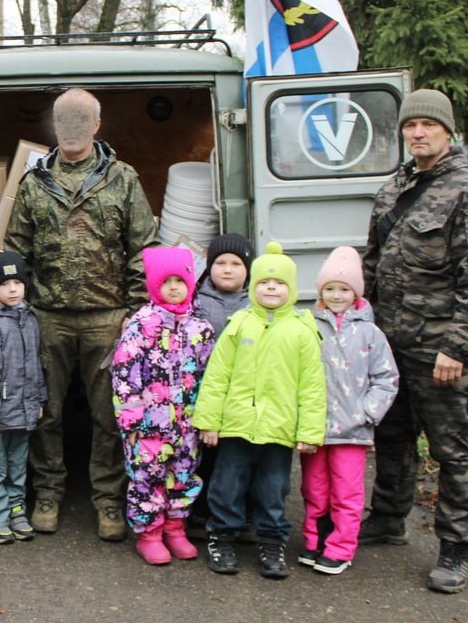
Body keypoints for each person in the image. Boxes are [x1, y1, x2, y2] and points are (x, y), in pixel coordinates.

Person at [360, 88, 468, 593]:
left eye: (428, 126)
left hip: (438, 348)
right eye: (409, 126)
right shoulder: (394, 186)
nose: (417, 133)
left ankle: (458, 546)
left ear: (447, 130)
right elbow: (373, 263)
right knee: (391, 436)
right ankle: (389, 517)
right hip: (391, 343)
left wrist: (458, 347)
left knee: (452, 449)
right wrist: (365, 328)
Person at [4, 87, 158, 541]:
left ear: (96, 124)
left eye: (80, 120)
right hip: (48, 315)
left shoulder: (122, 178)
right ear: (54, 126)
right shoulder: (34, 182)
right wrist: (22, 307)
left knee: (108, 414)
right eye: (63, 120)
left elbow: (142, 247)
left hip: (107, 317)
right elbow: (17, 250)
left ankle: (109, 500)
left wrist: (133, 311)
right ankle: (48, 493)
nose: (71, 129)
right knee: (45, 412)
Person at [193, 242, 326, 579]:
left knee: (272, 491)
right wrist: (209, 421)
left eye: (279, 283)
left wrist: (310, 431)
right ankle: (221, 538)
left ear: (291, 289)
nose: (271, 288)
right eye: (265, 282)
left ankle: (271, 544)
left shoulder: (302, 331)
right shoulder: (239, 324)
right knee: (225, 487)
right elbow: (217, 376)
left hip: (278, 430)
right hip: (236, 426)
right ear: (253, 287)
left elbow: (312, 387)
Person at [111, 246, 214, 565]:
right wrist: (131, 423)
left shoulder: (201, 329)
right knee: (148, 478)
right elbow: (124, 375)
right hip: (148, 428)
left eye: (179, 280)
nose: (173, 287)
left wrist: (207, 416)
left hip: (187, 425)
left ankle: (175, 527)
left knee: (183, 475)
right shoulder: (141, 326)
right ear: (154, 285)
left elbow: (211, 377)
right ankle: (150, 533)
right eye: (165, 281)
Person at [300, 246, 398, 576]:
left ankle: (341, 547)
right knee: (314, 488)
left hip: (352, 431)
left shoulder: (370, 333)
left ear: (355, 292)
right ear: (320, 292)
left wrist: (367, 412)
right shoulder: (308, 327)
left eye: (344, 289)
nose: (337, 295)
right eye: (330, 289)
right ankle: (316, 541)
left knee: (346, 491)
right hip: (315, 427)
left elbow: (386, 378)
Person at [0, 250, 46, 545]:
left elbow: (37, 365)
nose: (12, 289)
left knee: (18, 466)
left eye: (17, 282)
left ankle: (17, 511)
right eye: (4, 284)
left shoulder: (29, 320)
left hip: (25, 410)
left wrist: (39, 400)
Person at [190, 232, 253, 534]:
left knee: (240, 455)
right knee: (205, 455)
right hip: (204, 392)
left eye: (236, 263)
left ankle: (244, 512)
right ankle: (200, 512)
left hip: (243, 392)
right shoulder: (196, 300)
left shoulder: (256, 302)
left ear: (248, 270)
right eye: (220, 262)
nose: (227, 269)